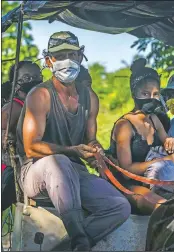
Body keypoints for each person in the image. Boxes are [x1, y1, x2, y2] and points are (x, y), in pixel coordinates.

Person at [16, 31, 131, 251]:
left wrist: (95, 150)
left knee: (119, 207)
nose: (67, 60)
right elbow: (31, 148)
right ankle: (80, 238)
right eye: (60, 56)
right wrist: (72, 151)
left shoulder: (90, 97)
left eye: (72, 54)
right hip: (36, 172)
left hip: (74, 172)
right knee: (58, 161)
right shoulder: (39, 95)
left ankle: (70, 247)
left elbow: (91, 140)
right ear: (49, 60)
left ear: (81, 56)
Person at [109, 58, 174, 215]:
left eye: (155, 94)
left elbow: (167, 144)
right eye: (145, 93)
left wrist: (171, 141)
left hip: (153, 181)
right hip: (128, 185)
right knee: (164, 208)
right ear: (134, 94)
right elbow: (126, 170)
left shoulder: (154, 119)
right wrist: (167, 160)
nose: (151, 98)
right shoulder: (124, 126)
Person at [1, 61, 43, 212]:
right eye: (26, 78)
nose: (32, 81)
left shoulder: (36, 104)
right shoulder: (15, 107)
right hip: (11, 171)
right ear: (15, 84)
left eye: (37, 76)